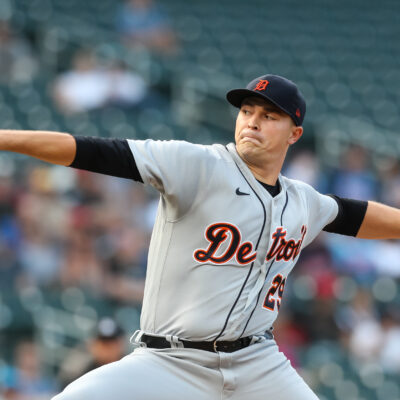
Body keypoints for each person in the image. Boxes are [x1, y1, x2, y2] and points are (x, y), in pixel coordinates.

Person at [1, 74, 399, 400]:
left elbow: (356, 215)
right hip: (169, 360)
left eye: (269, 115)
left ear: (295, 134)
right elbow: (91, 151)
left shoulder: (303, 201)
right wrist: (5, 138)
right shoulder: (197, 165)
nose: (252, 121)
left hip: (258, 364)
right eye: (246, 110)